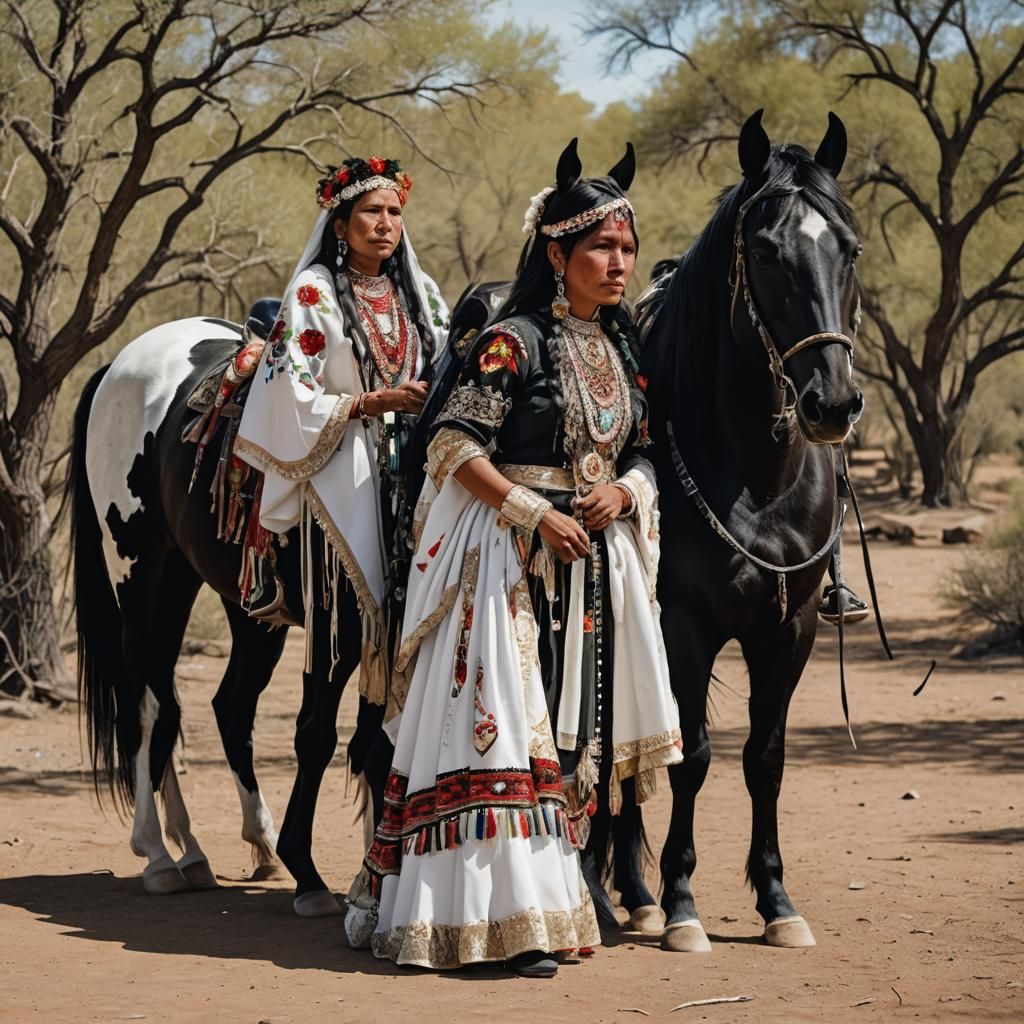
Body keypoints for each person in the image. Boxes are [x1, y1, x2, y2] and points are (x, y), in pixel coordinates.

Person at [345, 139, 683, 976]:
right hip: (505, 571)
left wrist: (627, 495)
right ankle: (486, 921)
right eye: (602, 247)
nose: (619, 264)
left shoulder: (622, 348)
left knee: (575, 747)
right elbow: (453, 444)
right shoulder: (510, 342)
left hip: (596, 571)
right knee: (503, 744)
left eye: (628, 249)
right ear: (558, 253)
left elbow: (644, 450)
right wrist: (534, 511)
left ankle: (556, 903)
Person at [233, 157, 448, 911]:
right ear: (339, 222)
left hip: (413, 482)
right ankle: (299, 838)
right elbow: (291, 390)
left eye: (394, 213)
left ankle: (391, 844)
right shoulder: (313, 293)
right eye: (370, 215)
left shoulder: (421, 294)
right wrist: (369, 402)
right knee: (333, 666)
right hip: (343, 475)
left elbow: (448, 368)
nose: (385, 227)